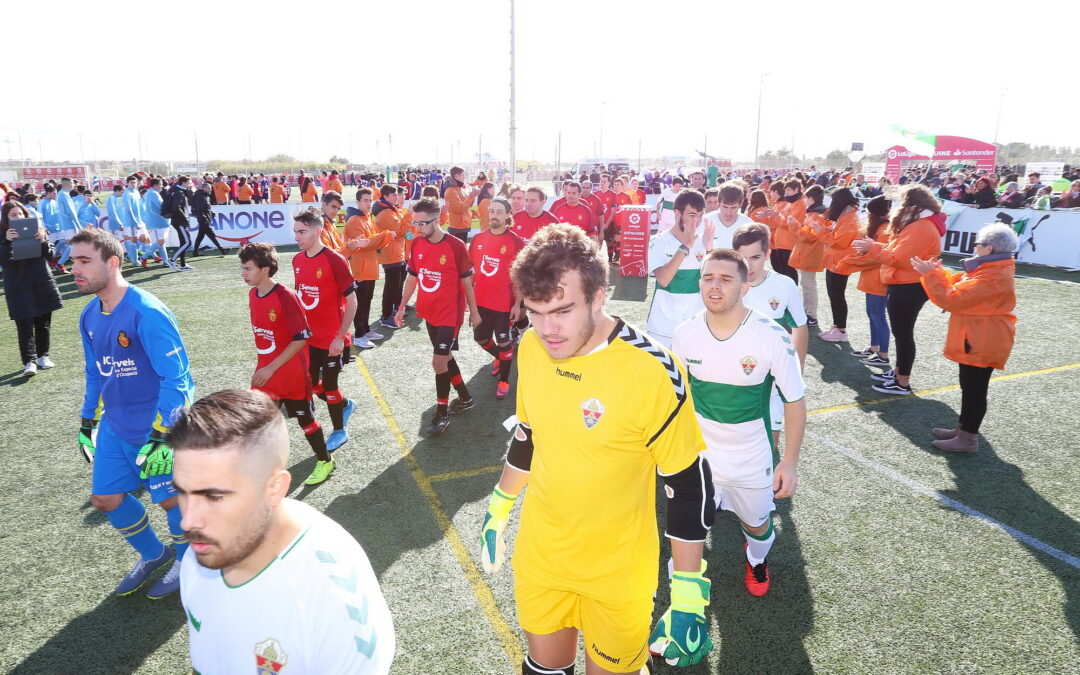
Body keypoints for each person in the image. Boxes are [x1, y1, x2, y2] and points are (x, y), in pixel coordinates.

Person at [479, 224, 715, 672]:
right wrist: (499, 505)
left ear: (598, 296)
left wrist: (688, 592)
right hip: (542, 557)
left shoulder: (652, 369)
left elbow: (687, 482)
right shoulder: (532, 346)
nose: (547, 329)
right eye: (535, 312)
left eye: (562, 310)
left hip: (617, 572)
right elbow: (529, 434)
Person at [173, 389, 395, 674]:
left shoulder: (337, 603)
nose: (188, 521)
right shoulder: (202, 553)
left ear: (274, 488)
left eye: (214, 496)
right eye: (183, 492)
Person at [671, 248, 806, 598]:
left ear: (744, 288)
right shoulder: (685, 333)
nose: (714, 286)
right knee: (689, 526)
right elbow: (678, 398)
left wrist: (789, 462)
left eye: (726, 279)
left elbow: (794, 401)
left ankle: (756, 559)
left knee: (757, 526)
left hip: (752, 457)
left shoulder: (771, 335)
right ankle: (686, 583)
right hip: (700, 455)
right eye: (708, 277)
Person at [69, 227, 195, 599]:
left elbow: (178, 380)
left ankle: (187, 562)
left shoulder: (147, 312)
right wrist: (88, 420)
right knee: (105, 499)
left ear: (112, 262)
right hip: (115, 426)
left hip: (155, 428)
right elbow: (96, 372)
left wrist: (163, 435)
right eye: (73, 261)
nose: (74, 269)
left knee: (171, 500)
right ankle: (154, 554)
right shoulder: (89, 315)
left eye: (84, 261)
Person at [912, 223, 1017, 453]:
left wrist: (931, 274)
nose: (975, 247)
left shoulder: (992, 275)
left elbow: (953, 299)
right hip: (980, 336)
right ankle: (963, 430)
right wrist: (936, 273)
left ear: (988, 248)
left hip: (982, 338)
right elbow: (959, 287)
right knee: (970, 387)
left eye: (978, 244)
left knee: (974, 389)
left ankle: (968, 438)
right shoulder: (991, 270)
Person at [239, 242, 336, 484]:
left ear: (265, 269)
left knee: (305, 420)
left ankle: (325, 460)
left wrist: (270, 368)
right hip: (266, 374)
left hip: (291, 375)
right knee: (260, 422)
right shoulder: (253, 295)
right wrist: (265, 368)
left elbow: (301, 339)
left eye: (248, 268)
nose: (243, 273)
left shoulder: (285, 296)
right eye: (243, 268)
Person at [394, 198, 480, 435]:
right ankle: (465, 398)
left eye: (422, 223)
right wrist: (401, 306)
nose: (418, 228)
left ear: (437, 220)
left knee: (438, 361)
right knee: (446, 357)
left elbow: (467, 282)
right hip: (428, 312)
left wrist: (474, 311)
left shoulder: (456, 246)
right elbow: (412, 277)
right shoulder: (417, 244)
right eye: (415, 223)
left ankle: (441, 414)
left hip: (450, 315)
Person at [852, 184, 946, 395]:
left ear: (912, 204)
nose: (898, 206)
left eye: (902, 202)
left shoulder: (921, 227)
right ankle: (898, 373)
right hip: (905, 283)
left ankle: (902, 381)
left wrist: (872, 247)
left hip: (908, 285)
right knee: (901, 333)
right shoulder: (919, 224)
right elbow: (898, 252)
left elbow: (899, 259)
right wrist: (875, 246)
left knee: (903, 334)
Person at [733, 223, 808, 449]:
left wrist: (796, 370)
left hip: (771, 377)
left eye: (755, 257)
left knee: (769, 445)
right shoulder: (726, 284)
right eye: (742, 258)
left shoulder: (784, 285)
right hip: (733, 377)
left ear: (767, 254)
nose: (748, 265)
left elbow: (800, 328)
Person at [291, 209, 358, 461]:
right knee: (312, 384)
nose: (297, 237)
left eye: (302, 232)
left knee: (329, 385)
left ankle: (340, 430)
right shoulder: (297, 260)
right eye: (295, 232)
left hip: (332, 339)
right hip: (309, 339)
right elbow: (301, 300)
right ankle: (345, 404)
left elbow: (352, 302)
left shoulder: (335, 260)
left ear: (318, 231)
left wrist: (340, 336)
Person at [469, 197, 526, 400]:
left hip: (504, 304)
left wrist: (518, 304)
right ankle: (500, 359)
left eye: (499, 212)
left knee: (504, 343)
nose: (494, 215)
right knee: (481, 338)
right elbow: (471, 272)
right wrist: (470, 304)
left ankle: (504, 381)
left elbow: (520, 277)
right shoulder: (477, 239)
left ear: (508, 214)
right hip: (481, 302)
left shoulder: (516, 242)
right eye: (492, 211)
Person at [1, 201, 63, 376]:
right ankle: (29, 362)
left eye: (20, 214)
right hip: (18, 286)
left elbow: (51, 255)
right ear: (6, 218)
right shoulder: (2, 235)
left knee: (44, 322)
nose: (18, 217)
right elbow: (3, 260)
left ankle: (43, 356)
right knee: (24, 325)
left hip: (41, 282)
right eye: (13, 215)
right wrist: (7, 241)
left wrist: (43, 240)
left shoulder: (38, 229)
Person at [645, 189, 710, 348]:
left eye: (700, 215)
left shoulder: (705, 241)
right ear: (677, 213)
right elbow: (663, 279)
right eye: (691, 215)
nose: (697, 221)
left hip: (695, 327)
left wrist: (710, 250)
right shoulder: (658, 241)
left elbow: (713, 280)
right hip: (662, 327)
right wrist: (685, 246)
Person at [837, 195, 892, 367]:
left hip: (878, 279)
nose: (866, 215)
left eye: (869, 212)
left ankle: (883, 355)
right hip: (871, 278)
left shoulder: (885, 229)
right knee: (872, 315)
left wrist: (848, 262)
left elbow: (875, 258)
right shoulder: (878, 227)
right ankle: (874, 348)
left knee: (878, 316)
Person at [343, 187, 395, 350]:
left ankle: (365, 330)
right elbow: (364, 243)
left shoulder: (367, 218)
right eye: (365, 200)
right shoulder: (354, 220)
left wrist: (384, 237)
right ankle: (359, 336)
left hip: (369, 267)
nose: (368, 203)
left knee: (367, 301)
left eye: (370, 200)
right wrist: (385, 235)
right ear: (357, 202)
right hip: (359, 268)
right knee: (360, 303)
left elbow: (373, 241)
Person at [818, 188, 861, 342]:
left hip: (840, 263)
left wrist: (821, 232)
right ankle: (837, 326)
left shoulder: (850, 218)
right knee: (834, 295)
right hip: (835, 261)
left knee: (837, 296)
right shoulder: (846, 217)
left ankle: (841, 330)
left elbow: (839, 242)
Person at [790, 184, 827, 326]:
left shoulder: (816, 215)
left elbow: (808, 237)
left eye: (806, 198)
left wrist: (794, 226)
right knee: (807, 286)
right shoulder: (814, 214)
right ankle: (809, 313)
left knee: (808, 286)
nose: (804, 200)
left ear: (810, 198)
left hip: (810, 254)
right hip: (808, 253)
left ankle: (811, 315)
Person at [374, 185, 409, 329]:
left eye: (397, 194)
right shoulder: (386, 213)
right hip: (391, 254)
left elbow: (403, 231)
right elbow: (401, 231)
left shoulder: (391, 210)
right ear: (386, 196)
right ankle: (386, 316)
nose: (397, 197)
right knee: (391, 286)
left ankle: (390, 312)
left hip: (396, 252)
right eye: (394, 195)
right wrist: (409, 215)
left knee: (395, 285)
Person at [141, 178, 179, 271]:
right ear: (155, 185)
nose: (162, 186)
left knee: (161, 242)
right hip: (159, 221)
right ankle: (144, 256)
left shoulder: (150, 192)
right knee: (161, 241)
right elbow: (162, 206)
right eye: (160, 184)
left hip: (157, 221)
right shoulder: (153, 193)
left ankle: (165, 261)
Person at [702, 182, 753, 251]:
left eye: (733, 207)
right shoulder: (704, 221)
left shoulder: (749, 225)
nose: (728, 212)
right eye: (725, 207)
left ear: (741, 204)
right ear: (718, 202)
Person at [444, 166, 480, 243]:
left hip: (463, 225)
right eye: (463, 175)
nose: (464, 177)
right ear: (456, 176)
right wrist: (471, 196)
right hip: (457, 227)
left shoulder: (460, 189)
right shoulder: (451, 191)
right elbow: (458, 209)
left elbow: (468, 205)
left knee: (462, 248)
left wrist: (473, 196)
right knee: (457, 249)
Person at [53, 177, 83, 269]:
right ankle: (59, 263)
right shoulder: (64, 194)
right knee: (74, 245)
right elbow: (71, 211)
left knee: (74, 244)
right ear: (66, 184)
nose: (74, 185)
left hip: (66, 224)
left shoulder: (62, 194)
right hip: (69, 224)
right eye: (72, 183)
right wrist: (78, 225)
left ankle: (61, 263)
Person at [166, 176, 195, 270]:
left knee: (183, 242)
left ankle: (183, 264)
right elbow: (176, 208)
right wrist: (185, 218)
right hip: (179, 221)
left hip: (177, 220)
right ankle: (172, 260)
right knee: (187, 242)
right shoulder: (179, 192)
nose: (190, 184)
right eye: (188, 183)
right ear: (183, 183)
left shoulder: (176, 190)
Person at [119, 175, 148, 268]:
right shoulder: (127, 194)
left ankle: (130, 255)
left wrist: (141, 219)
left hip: (139, 220)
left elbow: (139, 207)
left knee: (143, 238)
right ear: (127, 183)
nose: (133, 184)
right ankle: (135, 260)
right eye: (131, 183)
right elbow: (128, 209)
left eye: (135, 182)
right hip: (131, 222)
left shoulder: (136, 192)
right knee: (134, 240)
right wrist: (135, 221)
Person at [190, 182, 225, 256]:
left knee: (200, 236)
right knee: (212, 235)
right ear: (204, 188)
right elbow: (199, 210)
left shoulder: (206, 196)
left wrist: (211, 213)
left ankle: (195, 252)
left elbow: (205, 208)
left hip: (205, 219)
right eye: (208, 188)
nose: (210, 189)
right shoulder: (200, 197)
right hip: (203, 220)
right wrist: (204, 219)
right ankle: (222, 250)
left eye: (210, 188)